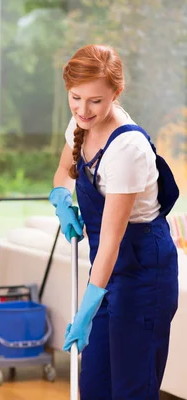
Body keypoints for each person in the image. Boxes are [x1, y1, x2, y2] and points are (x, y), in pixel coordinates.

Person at [50, 44, 179, 399]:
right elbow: (64, 169)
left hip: (143, 273)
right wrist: (61, 198)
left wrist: (88, 305)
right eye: (76, 98)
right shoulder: (80, 123)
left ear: (116, 93)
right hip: (106, 272)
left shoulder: (127, 148)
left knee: (131, 388)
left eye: (95, 100)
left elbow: (111, 239)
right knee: (94, 383)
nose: (83, 109)